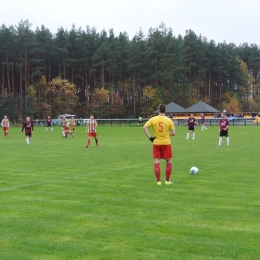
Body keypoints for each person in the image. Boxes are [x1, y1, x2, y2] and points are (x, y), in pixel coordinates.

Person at [143, 104, 176, 185]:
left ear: (158, 110)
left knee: (157, 161)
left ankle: (158, 181)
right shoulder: (169, 120)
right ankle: (167, 181)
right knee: (168, 161)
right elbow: (173, 133)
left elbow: (144, 127)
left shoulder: (153, 119)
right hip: (166, 143)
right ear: (165, 110)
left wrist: (150, 138)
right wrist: (167, 135)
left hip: (156, 143)